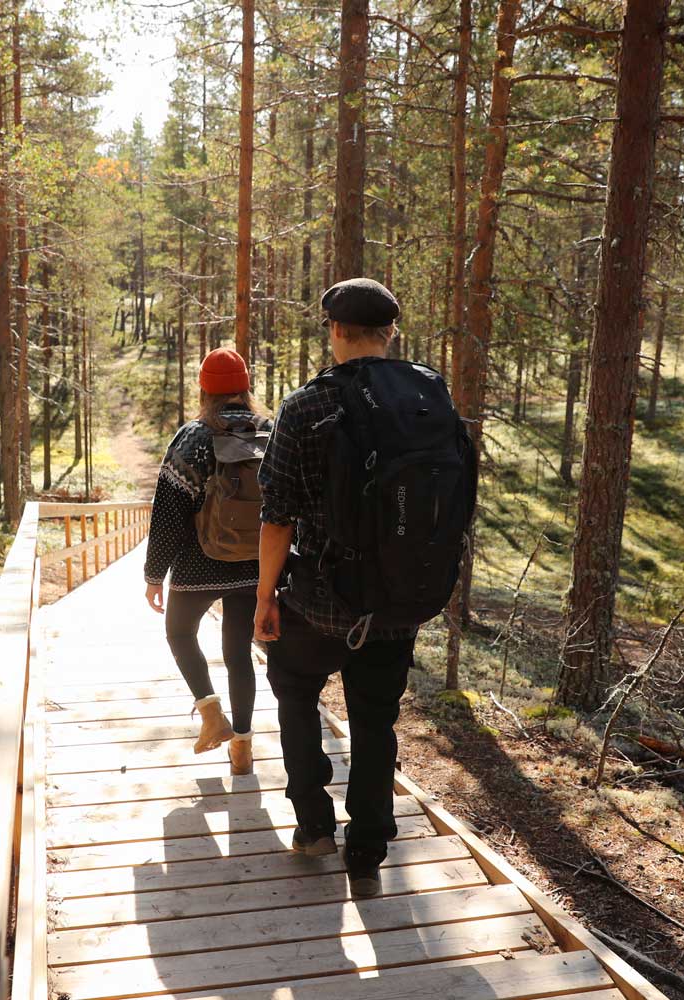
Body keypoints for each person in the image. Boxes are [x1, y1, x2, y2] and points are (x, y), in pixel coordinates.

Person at [255, 277, 473, 898]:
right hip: (398, 603)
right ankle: (368, 856)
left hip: (320, 603)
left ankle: (314, 825)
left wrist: (266, 597)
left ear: (335, 331)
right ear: (390, 333)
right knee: (376, 722)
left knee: (295, 692)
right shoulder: (432, 397)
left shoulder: (306, 406)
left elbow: (277, 517)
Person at [144, 348, 273, 776]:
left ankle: (211, 714)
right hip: (257, 564)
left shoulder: (193, 438)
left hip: (200, 564)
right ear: (245, 386)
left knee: (180, 633)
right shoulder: (270, 433)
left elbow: (168, 513)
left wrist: (153, 575)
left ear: (204, 389)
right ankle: (243, 746)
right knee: (239, 652)